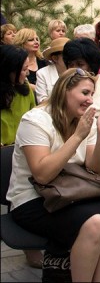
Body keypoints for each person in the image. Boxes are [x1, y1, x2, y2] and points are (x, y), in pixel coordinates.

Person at [6, 68, 100, 282]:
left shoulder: (84, 120)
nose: (90, 100)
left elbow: (96, 168)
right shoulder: (35, 120)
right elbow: (42, 175)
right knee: (93, 222)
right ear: (64, 91)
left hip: (71, 193)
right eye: (85, 93)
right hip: (33, 199)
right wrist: (78, 136)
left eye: (92, 94)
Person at [0, 45, 42, 268]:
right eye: (23, 69)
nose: (27, 73)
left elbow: (33, 117)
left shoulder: (25, 88)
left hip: (24, 148)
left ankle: (31, 246)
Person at [36, 37, 70, 103]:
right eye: (66, 55)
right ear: (55, 58)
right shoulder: (42, 73)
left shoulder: (77, 71)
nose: (70, 58)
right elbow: (41, 100)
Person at [13, 28, 47, 93]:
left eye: (37, 39)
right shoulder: (16, 62)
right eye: (31, 40)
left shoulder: (43, 61)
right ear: (21, 43)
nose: (36, 42)